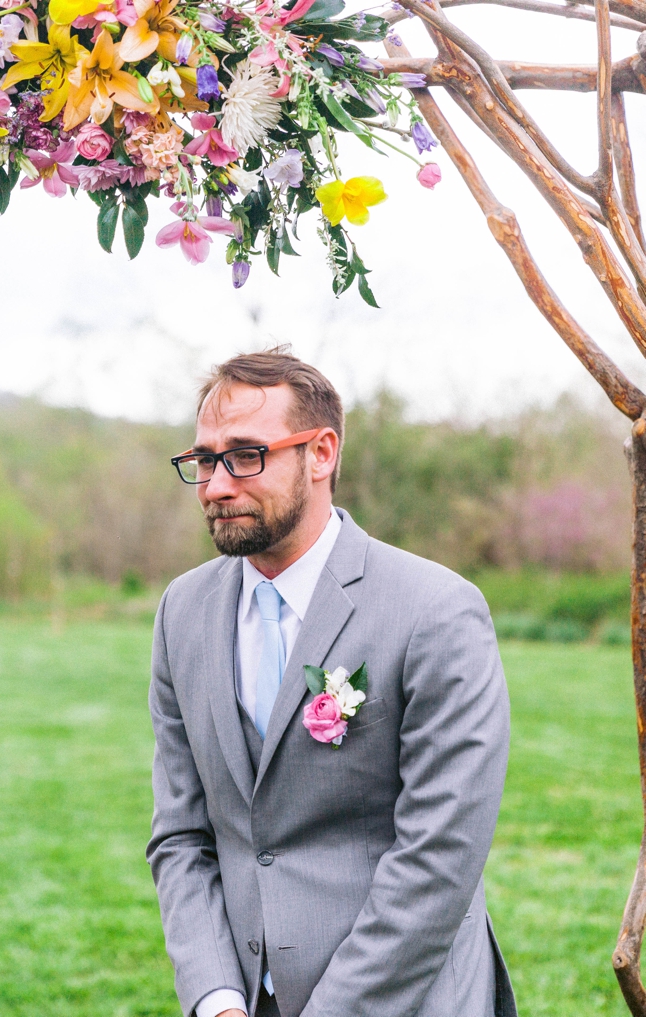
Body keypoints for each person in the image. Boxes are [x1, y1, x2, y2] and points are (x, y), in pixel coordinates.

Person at [146, 348, 515, 1017]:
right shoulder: (183, 610)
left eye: (246, 454)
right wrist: (218, 997)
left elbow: (440, 855)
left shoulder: (436, 610)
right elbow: (182, 833)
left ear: (321, 453)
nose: (215, 485)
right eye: (205, 459)